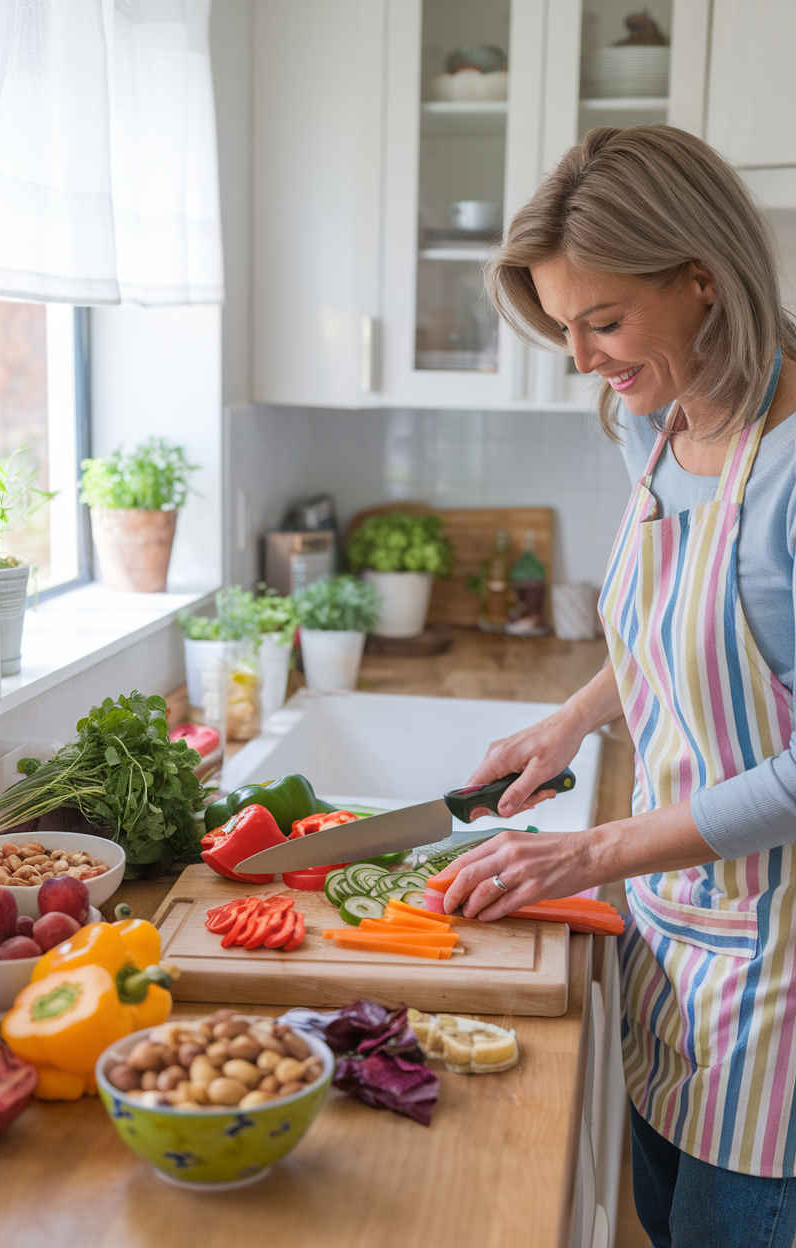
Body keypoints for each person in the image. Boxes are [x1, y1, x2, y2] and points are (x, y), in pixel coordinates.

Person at [430, 125, 796, 1248]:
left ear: (702, 277)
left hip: (779, 989)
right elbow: (672, 633)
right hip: (678, 940)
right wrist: (571, 722)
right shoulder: (662, 417)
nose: (583, 359)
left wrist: (589, 851)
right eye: (563, 327)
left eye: (602, 320)